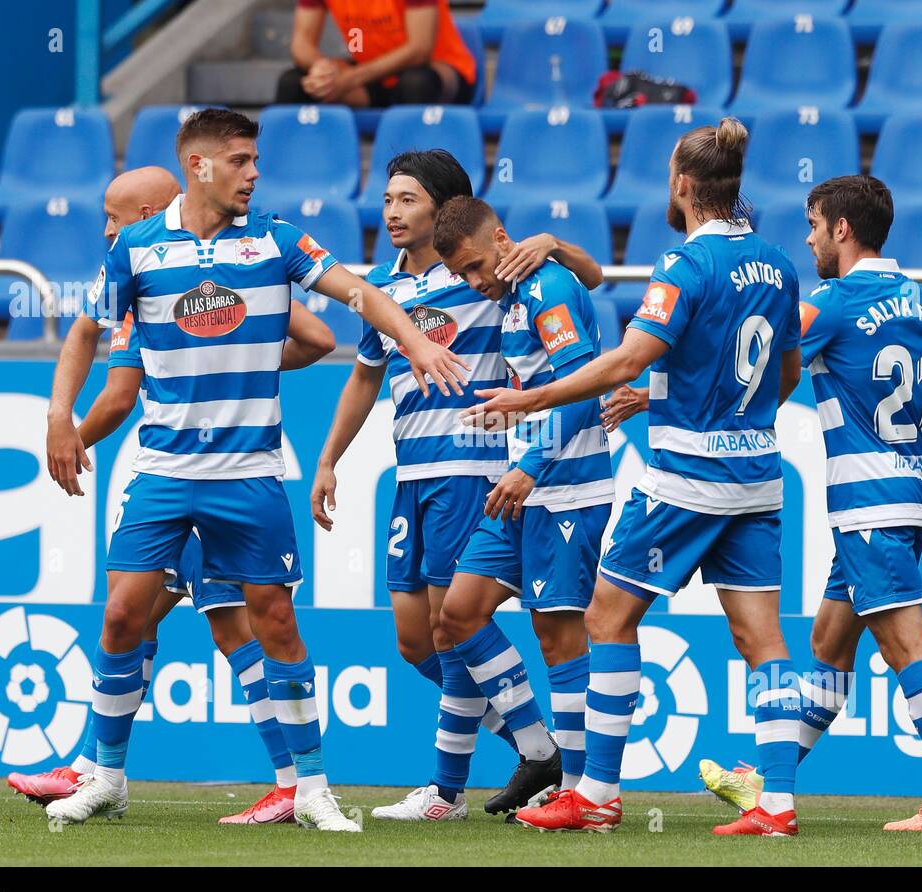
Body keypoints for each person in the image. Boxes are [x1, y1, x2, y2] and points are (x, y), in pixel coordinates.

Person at [42, 107, 468, 831]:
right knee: (120, 614)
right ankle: (108, 776)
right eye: (241, 160)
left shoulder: (275, 241)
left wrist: (416, 344)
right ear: (200, 165)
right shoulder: (139, 247)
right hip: (163, 470)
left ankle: (310, 788)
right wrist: (59, 413)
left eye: (254, 160)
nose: (254, 172)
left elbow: (360, 294)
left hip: (250, 473)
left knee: (274, 621)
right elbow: (86, 327)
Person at [462, 119, 809, 836]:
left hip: (684, 478)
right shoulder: (778, 264)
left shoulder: (684, 266)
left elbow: (624, 360)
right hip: (758, 477)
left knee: (606, 617)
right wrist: (667, 396)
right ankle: (776, 801)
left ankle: (597, 794)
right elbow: (784, 375)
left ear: (683, 184)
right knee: (763, 640)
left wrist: (530, 398)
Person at [699, 175, 922, 832]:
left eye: (812, 226)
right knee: (830, 646)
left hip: (868, 506)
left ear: (841, 229)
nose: (807, 238)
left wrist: (683, 406)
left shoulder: (832, 302)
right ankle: (770, 783)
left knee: (904, 644)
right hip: (910, 496)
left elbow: (763, 372)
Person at [12, 193, 337, 825]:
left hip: (200, 471)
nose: (108, 227)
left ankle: (279, 780)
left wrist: (72, 434)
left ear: (152, 215)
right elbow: (320, 335)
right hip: (191, 474)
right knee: (170, 620)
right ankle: (103, 765)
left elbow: (120, 393)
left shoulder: (161, 287)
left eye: (116, 214)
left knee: (207, 623)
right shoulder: (169, 281)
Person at [311, 149, 604, 821]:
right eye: (387, 198)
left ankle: (450, 788)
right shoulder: (385, 292)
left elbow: (583, 283)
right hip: (410, 471)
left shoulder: (485, 273)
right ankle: (536, 746)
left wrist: (554, 243)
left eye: (407, 198)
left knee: (452, 627)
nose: (391, 210)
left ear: (444, 211)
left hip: (472, 467)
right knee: (416, 639)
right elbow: (363, 376)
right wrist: (329, 458)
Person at [425, 196, 614, 819]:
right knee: (458, 613)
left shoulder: (546, 288)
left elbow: (583, 389)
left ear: (502, 237)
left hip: (566, 487)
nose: (475, 282)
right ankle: (541, 752)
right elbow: (596, 279)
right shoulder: (516, 292)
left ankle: (582, 791)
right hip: (527, 488)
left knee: (559, 639)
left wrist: (530, 464)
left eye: (478, 266)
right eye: (463, 277)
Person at [277, 0, 475, 106]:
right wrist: (324, 70)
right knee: (293, 83)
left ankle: (415, 177)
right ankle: (290, 175)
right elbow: (300, 44)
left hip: (437, 70)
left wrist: (349, 79)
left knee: (415, 83)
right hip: (371, 76)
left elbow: (420, 50)